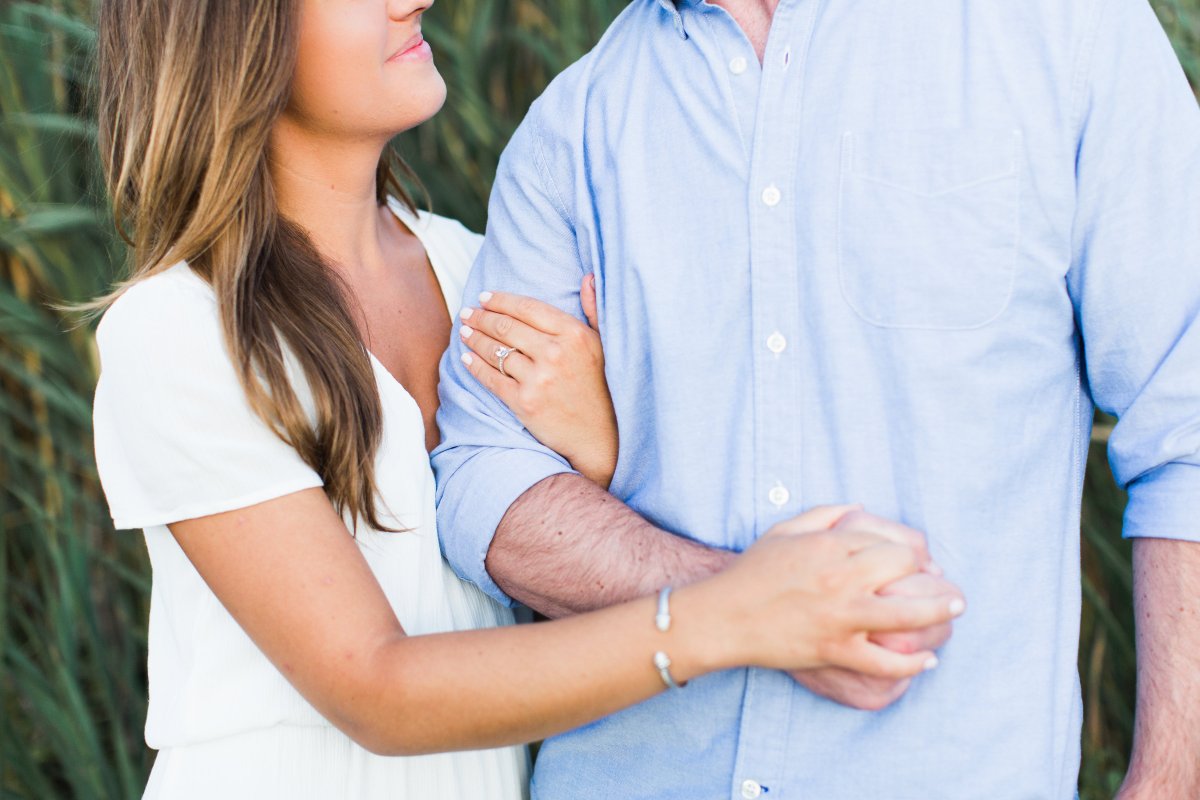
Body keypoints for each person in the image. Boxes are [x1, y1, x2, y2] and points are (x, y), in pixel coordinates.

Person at [88, 0, 966, 797]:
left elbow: (555, 586)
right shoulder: (175, 332)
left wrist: (607, 453)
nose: (414, 0)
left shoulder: (477, 272)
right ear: (234, 35)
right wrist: (734, 614)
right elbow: (374, 689)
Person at [432, 0, 1200, 797]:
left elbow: (1188, 426)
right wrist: (743, 603)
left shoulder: (1067, 31)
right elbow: (484, 476)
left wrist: (1168, 785)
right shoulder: (578, 119)